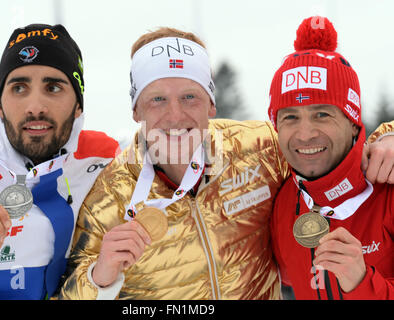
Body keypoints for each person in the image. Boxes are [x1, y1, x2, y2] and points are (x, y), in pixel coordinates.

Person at [57, 27, 394, 300]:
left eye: (190, 96)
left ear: (211, 104)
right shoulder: (109, 193)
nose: (175, 115)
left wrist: (388, 136)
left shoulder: (260, 148)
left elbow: (330, 148)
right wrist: (99, 278)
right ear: (136, 111)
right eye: (157, 99)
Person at [0, 24, 119, 299]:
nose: (35, 106)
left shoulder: (109, 159)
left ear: (78, 105)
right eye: (19, 87)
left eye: (53, 87)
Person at [269, 17, 393, 299]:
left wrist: (362, 283)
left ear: (352, 121)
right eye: (290, 117)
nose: (304, 134)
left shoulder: (389, 189)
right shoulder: (283, 203)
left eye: (322, 114)